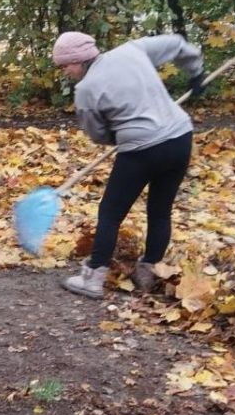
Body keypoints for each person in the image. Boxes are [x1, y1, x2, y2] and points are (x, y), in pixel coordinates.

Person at [52, 31, 206, 299]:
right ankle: (149, 270)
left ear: (80, 59)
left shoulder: (86, 90)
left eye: (66, 65)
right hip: (180, 137)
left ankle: (93, 277)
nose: (64, 71)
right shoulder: (132, 50)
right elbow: (176, 44)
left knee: (110, 212)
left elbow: (98, 134)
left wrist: (120, 134)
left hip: (141, 150)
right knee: (160, 209)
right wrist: (196, 73)